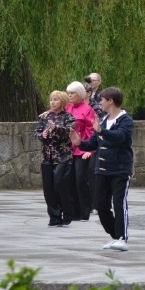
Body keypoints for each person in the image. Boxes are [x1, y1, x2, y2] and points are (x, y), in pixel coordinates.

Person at [70, 87, 133, 251]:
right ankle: (115, 236)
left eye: (103, 100)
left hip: (120, 169)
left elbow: (120, 137)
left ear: (111, 101)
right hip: (103, 169)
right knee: (100, 205)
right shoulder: (104, 120)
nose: (100, 103)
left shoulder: (125, 120)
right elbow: (93, 143)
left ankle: (122, 238)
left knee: (119, 203)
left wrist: (102, 131)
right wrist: (79, 143)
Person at [34, 91, 76, 227]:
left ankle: (67, 213)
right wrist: (43, 134)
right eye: (51, 99)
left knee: (60, 183)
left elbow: (69, 132)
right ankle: (54, 217)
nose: (52, 102)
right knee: (48, 188)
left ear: (62, 102)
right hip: (47, 156)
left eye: (56, 100)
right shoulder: (45, 116)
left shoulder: (68, 117)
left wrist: (55, 128)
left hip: (62, 156)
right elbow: (37, 132)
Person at [66, 81, 96, 222]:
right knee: (69, 180)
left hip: (82, 149)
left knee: (80, 180)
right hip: (68, 150)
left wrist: (90, 149)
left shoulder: (87, 109)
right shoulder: (68, 107)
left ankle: (85, 211)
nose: (70, 95)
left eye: (72, 93)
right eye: (68, 93)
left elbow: (91, 130)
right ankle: (73, 212)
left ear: (80, 94)